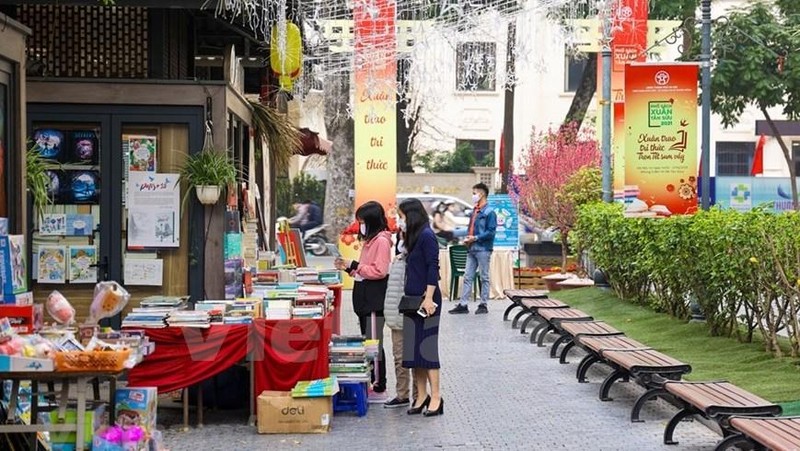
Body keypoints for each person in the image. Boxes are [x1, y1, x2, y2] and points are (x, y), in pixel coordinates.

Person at [334, 201, 392, 400]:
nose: (360, 226)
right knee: (369, 343)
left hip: (374, 300)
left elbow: (379, 271)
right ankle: (372, 382)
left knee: (374, 344)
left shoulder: (381, 241)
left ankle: (379, 386)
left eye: (362, 222)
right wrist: (348, 268)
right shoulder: (370, 241)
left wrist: (355, 264)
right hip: (364, 298)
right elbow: (364, 271)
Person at [398, 198, 444, 417]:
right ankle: (421, 395)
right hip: (411, 300)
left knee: (427, 349)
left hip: (427, 300)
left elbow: (432, 267)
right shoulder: (413, 237)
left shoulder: (427, 236)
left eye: (402, 216)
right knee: (413, 352)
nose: (400, 220)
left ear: (411, 215)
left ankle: (436, 397)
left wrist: (429, 297)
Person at [382, 230, 418, 408]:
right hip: (396, 315)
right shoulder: (397, 260)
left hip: (413, 313)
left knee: (416, 357)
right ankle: (402, 393)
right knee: (399, 356)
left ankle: (419, 395)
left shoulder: (417, 260)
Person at [449, 183, 497, 315]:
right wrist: (464, 237)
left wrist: (475, 238)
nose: (473, 196)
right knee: (467, 276)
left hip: (483, 249)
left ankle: (483, 304)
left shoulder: (489, 212)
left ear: (482, 194)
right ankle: (463, 304)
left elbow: (491, 232)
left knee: (484, 277)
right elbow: (470, 228)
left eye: (474, 193)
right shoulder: (474, 211)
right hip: (471, 248)